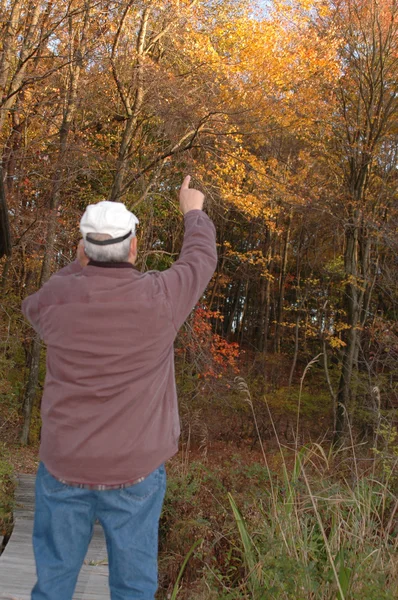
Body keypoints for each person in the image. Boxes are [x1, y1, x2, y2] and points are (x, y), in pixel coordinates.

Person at [22, 175, 217, 600]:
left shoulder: (55, 299)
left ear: (81, 249)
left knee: (53, 584)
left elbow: (33, 305)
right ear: (133, 247)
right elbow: (200, 260)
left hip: (64, 466)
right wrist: (193, 211)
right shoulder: (161, 298)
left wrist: (82, 265)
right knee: (132, 585)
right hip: (135, 471)